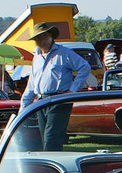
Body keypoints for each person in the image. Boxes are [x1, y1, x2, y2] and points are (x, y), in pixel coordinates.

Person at [19, 22, 92, 151]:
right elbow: (32, 83)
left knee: (51, 139)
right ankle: (49, 165)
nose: (40, 41)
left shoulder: (64, 53)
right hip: (42, 101)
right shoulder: (36, 56)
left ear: (51, 36)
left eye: (43, 37)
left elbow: (84, 67)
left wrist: (71, 91)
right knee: (45, 138)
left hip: (59, 100)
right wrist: (23, 107)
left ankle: (52, 168)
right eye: (37, 39)